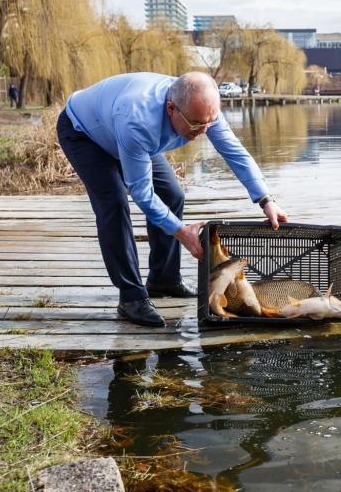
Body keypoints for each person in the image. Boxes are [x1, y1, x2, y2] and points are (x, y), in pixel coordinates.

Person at [57, 72, 287, 327]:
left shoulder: (203, 109)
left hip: (125, 133)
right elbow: (142, 193)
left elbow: (235, 152)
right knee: (114, 202)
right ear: (171, 109)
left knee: (172, 194)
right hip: (85, 134)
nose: (203, 132)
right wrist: (180, 230)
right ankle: (131, 298)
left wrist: (266, 199)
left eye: (209, 123)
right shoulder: (138, 120)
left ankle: (164, 280)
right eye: (197, 124)